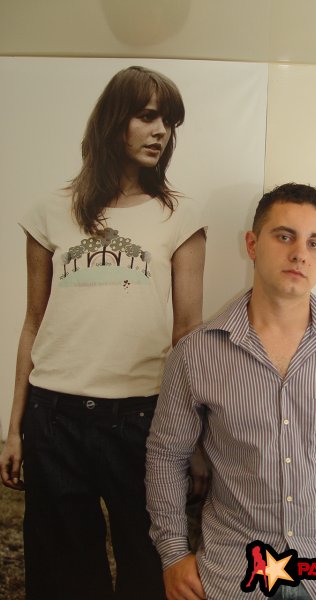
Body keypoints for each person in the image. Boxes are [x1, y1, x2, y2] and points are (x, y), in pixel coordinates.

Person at [0, 65, 206, 600]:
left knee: (147, 567)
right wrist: (15, 428)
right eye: (148, 117)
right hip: (54, 417)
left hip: (140, 420)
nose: (161, 132)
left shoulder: (179, 216)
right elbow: (33, 321)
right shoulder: (50, 211)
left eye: (169, 122)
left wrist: (194, 438)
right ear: (113, 121)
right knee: (62, 577)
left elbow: (188, 335)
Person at [145, 183, 316, 600]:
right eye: (284, 236)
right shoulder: (196, 354)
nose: (300, 253)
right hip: (234, 575)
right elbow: (166, 455)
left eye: (315, 242)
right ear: (252, 243)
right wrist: (173, 553)